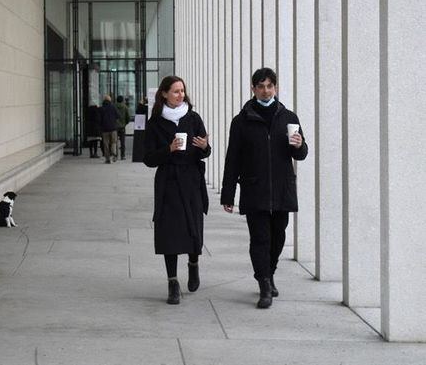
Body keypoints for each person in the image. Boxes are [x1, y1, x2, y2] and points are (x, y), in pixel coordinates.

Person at [220, 67, 308, 308]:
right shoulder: (241, 121)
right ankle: (264, 285)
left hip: (282, 188)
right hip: (254, 188)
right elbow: (233, 159)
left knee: (278, 236)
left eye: (269, 86)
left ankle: (269, 273)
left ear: (275, 88)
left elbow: (301, 154)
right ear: (253, 89)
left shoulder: (289, 117)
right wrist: (228, 194)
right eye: (261, 86)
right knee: (260, 238)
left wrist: (299, 146)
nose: (265, 90)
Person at [143, 76, 211, 305]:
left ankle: (193, 264)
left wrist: (205, 147)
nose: (180, 95)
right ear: (164, 94)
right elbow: (148, 158)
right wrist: (168, 149)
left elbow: (204, 150)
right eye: (175, 91)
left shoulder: (193, 118)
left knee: (193, 229)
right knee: (169, 233)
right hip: (168, 182)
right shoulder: (155, 123)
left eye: (182, 90)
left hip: (191, 181)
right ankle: (172, 282)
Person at [99, 95, 119, 163]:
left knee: (106, 144)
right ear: (110, 100)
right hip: (113, 128)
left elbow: (99, 119)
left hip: (104, 129)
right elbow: (118, 116)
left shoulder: (101, 108)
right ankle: (113, 153)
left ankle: (107, 159)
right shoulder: (113, 107)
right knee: (114, 142)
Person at [115, 95, 131, 160]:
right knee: (122, 142)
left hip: (115, 126)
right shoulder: (125, 107)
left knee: (115, 142)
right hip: (122, 126)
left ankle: (115, 155)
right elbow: (128, 117)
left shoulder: (114, 106)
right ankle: (122, 155)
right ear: (122, 100)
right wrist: (125, 123)